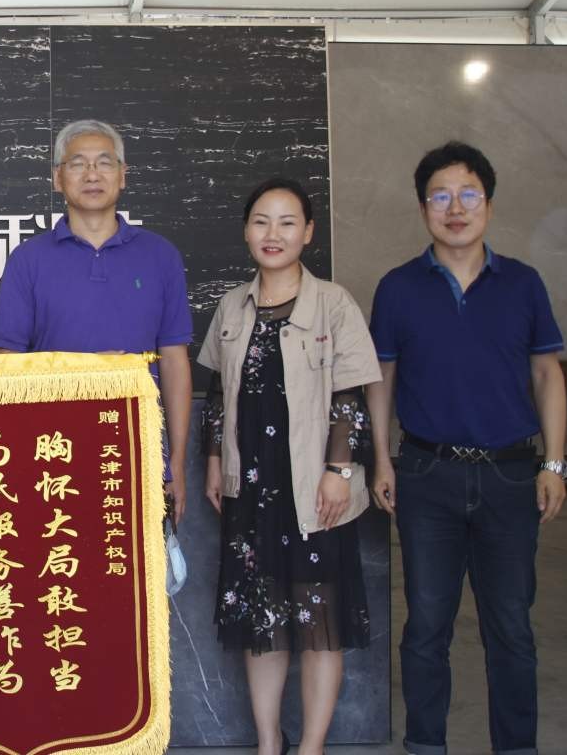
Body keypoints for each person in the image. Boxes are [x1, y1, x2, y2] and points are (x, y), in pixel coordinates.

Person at [366, 141, 567, 755]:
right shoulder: (398, 287)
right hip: (427, 473)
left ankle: (517, 746)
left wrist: (554, 462)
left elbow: (546, 374)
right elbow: (382, 379)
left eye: (469, 195)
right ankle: (425, 745)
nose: (456, 209)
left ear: (489, 204)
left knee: (511, 626)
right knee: (427, 624)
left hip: (511, 474)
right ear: (423, 208)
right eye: (441, 197)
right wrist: (382, 458)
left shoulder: (523, 284)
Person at [196, 178, 382, 755]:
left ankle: (312, 747)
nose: (272, 234)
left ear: (308, 232)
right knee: (264, 621)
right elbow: (218, 393)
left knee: (319, 622)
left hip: (314, 487)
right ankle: (269, 741)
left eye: (286, 222)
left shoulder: (334, 302)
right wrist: (213, 459)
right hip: (251, 488)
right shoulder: (232, 305)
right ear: (246, 231)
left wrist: (339, 470)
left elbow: (349, 395)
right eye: (260, 221)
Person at [0, 118, 193, 521]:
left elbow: (174, 361)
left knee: (134, 556)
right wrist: (85, 372)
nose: (92, 174)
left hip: (139, 448)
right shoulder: (28, 260)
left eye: (104, 162)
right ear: (57, 178)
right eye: (78, 163)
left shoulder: (160, 256)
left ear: (123, 175)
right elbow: (4, 363)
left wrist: (177, 463)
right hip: (51, 452)